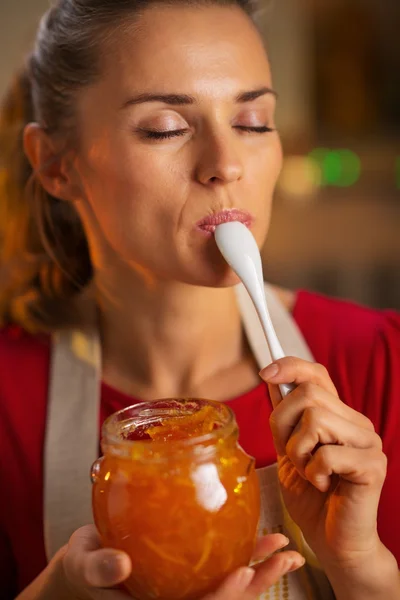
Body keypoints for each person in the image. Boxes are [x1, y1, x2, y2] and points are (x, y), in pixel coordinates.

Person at [0, 0, 399, 599]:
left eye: (253, 121)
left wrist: (362, 567)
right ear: (57, 164)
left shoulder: (380, 360)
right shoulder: (9, 394)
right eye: (165, 128)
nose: (226, 163)